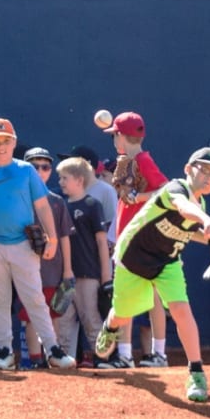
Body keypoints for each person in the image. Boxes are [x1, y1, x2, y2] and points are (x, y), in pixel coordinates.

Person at [94, 147, 210, 402]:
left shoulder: (201, 204)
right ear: (188, 169)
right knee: (122, 314)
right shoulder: (175, 190)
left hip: (166, 262)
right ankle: (110, 327)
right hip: (133, 258)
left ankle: (196, 372)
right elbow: (183, 207)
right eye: (205, 169)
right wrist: (205, 218)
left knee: (181, 310)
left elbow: (189, 231)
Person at [0, 118, 75, 370]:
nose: (1, 146)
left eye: (5, 141)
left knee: (35, 298)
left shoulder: (26, 171)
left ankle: (53, 350)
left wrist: (53, 238)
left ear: (13, 142)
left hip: (23, 244)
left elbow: (42, 206)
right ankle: (5, 351)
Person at [105, 111, 171, 366]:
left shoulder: (143, 159)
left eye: (115, 135)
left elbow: (166, 189)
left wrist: (140, 197)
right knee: (124, 296)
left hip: (144, 237)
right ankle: (124, 355)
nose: (113, 140)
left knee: (151, 295)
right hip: (127, 234)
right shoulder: (125, 161)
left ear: (122, 137)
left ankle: (159, 354)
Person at [55, 157, 113, 366]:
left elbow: (101, 241)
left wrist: (106, 275)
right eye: (59, 178)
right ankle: (62, 359)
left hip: (88, 273)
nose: (60, 182)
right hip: (65, 276)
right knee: (63, 320)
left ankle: (104, 358)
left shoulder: (92, 204)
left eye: (65, 178)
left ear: (79, 180)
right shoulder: (61, 206)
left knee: (91, 318)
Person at [23, 147, 75, 364]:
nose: (40, 170)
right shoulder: (19, 198)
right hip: (25, 266)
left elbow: (64, 237)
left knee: (52, 314)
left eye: (45, 166)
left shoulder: (56, 201)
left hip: (52, 268)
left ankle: (52, 356)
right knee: (30, 316)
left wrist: (68, 270)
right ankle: (34, 359)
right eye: (35, 166)